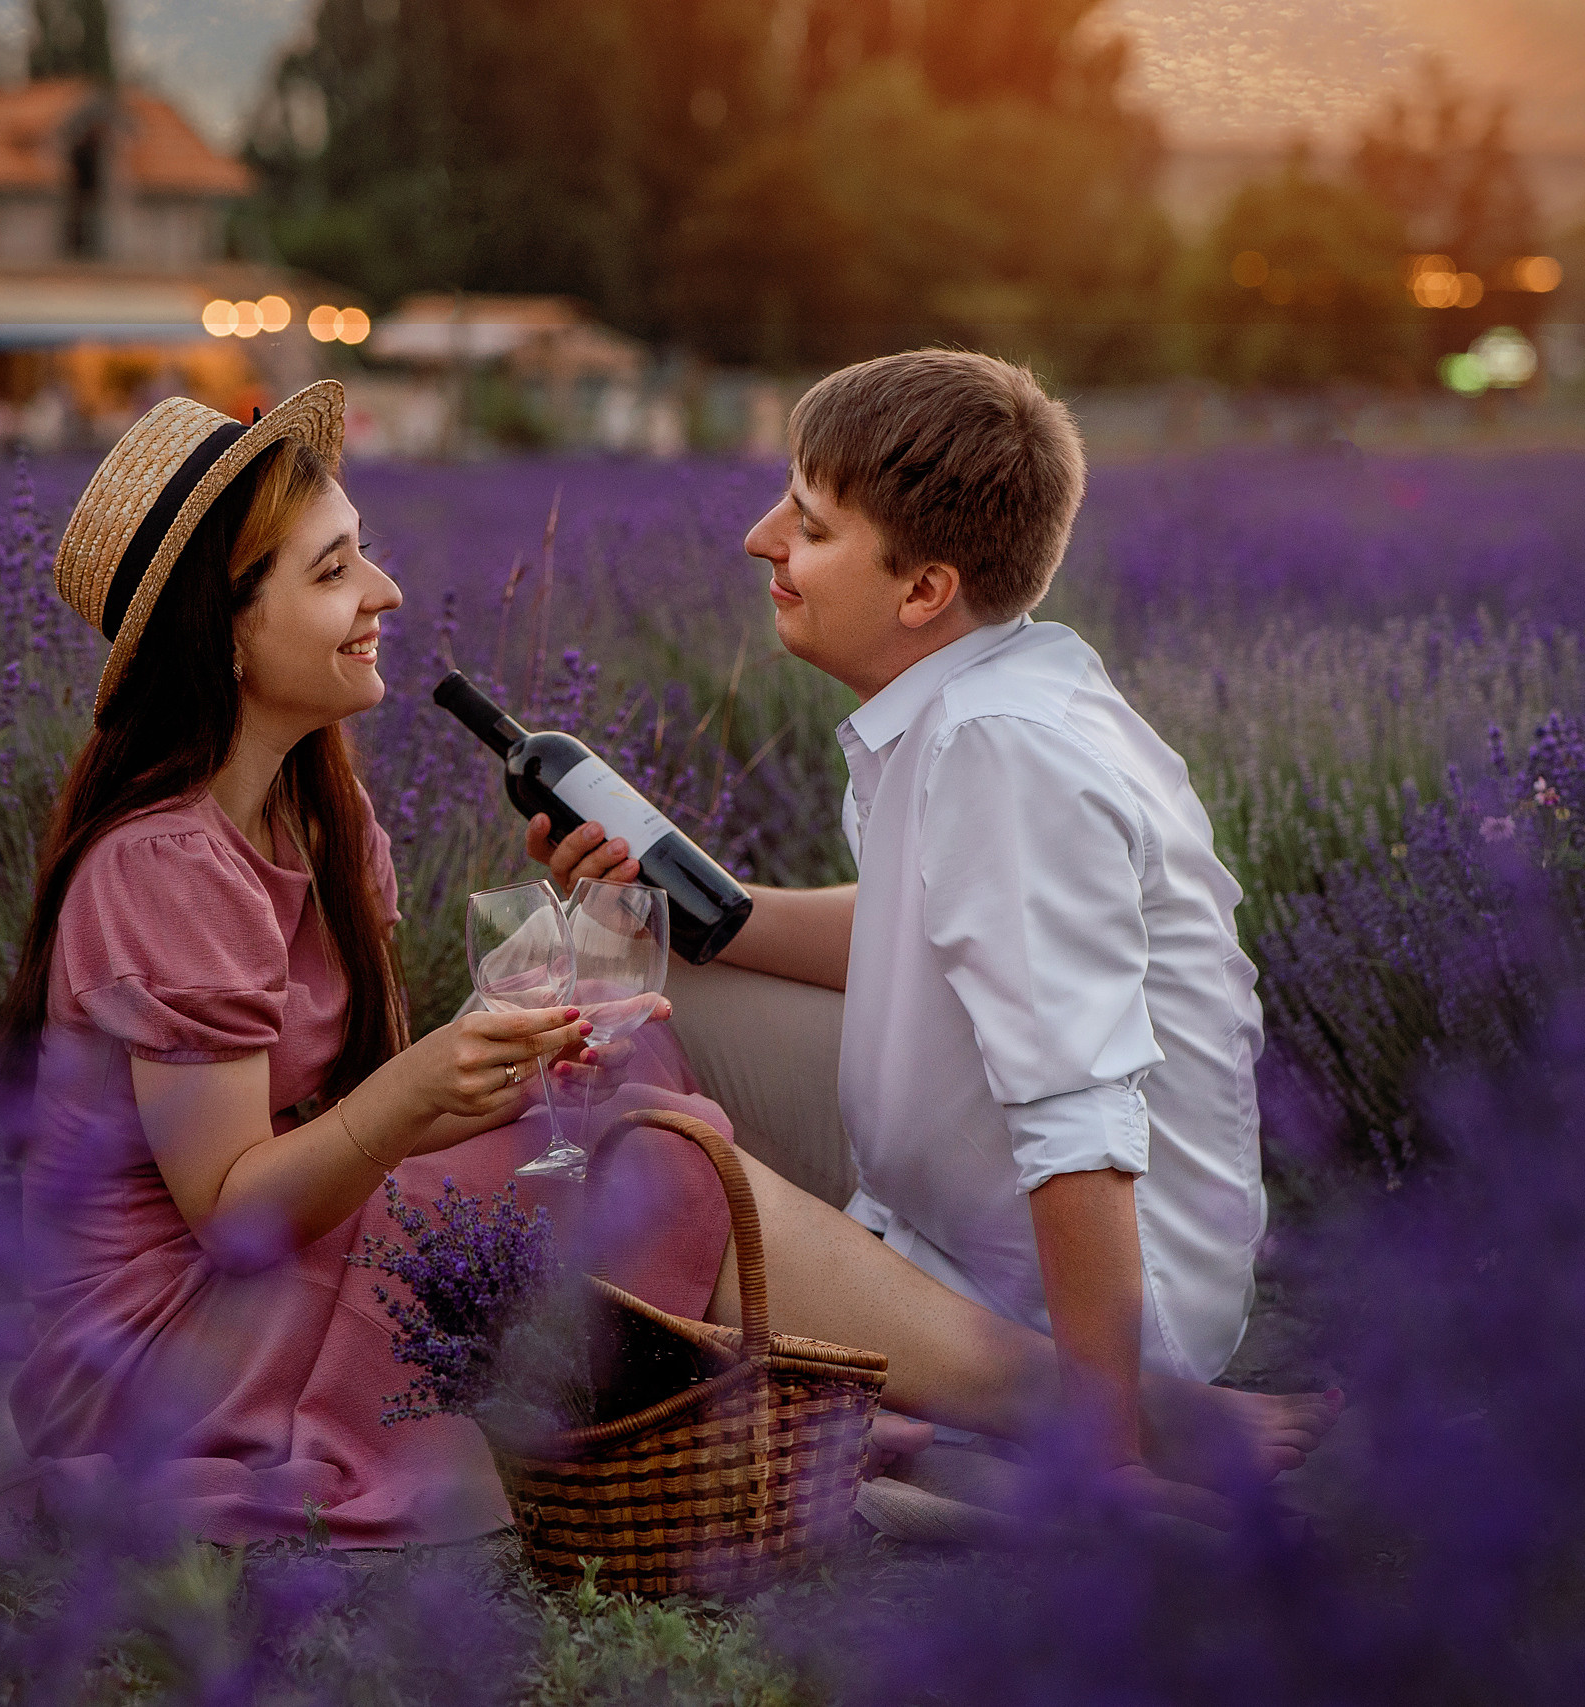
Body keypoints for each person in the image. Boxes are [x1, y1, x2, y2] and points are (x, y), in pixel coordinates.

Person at [1, 381, 1336, 1550]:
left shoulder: (322, 818)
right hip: (185, 1344)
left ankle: (991, 1401)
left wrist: (519, 1045)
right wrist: (426, 1090)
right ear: (225, 636)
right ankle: (1081, 1413)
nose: (388, 593)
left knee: (614, 1043)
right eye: (337, 568)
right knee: (638, 1146)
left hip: (293, 1263)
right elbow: (235, 1211)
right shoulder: (164, 871)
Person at [531, 350, 1314, 1475]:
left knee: (617, 1155)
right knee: (606, 983)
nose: (761, 539)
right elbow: (915, 930)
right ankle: (868, 1385)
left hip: (1066, 1311)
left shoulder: (1000, 751)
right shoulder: (981, 694)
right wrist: (692, 904)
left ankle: (1008, 1415)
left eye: (806, 524)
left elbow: (1077, 1115)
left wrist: (1107, 1444)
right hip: (966, 1221)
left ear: (921, 591)